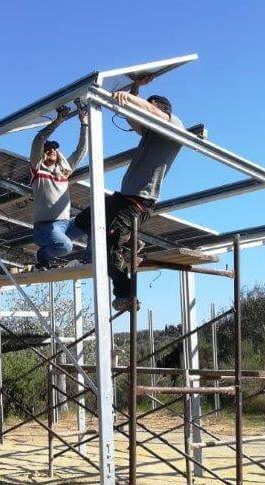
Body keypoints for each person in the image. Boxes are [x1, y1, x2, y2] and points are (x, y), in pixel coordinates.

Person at [70, 76, 191, 311]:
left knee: (110, 243)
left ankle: (125, 294)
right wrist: (135, 89)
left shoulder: (174, 125)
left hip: (139, 200)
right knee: (86, 219)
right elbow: (133, 117)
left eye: (151, 103)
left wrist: (133, 98)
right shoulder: (150, 133)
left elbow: (151, 112)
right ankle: (132, 241)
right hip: (123, 198)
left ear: (162, 108)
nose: (146, 104)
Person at [29, 103, 89, 270]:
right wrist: (58, 120)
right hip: (45, 228)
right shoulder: (37, 169)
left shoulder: (64, 171)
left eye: (54, 148)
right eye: (47, 149)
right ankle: (43, 256)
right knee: (66, 247)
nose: (51, 150)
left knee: (93, 219)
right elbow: (39, 139)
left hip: (65, 225)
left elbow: (81, 151)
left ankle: (90, 258)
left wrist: (84, 123)